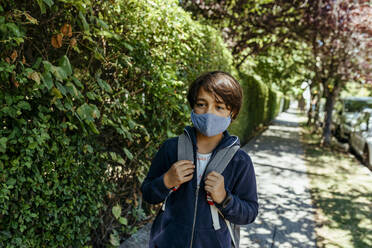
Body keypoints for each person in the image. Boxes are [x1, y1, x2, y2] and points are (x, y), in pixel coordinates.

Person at [140, 71, 258, 248]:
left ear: (232, 113)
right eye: (202, 104)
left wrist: (225, 199)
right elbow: (148, 193)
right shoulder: (172, 148)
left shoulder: (239, 161)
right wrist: (166, 181)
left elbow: (249, 212)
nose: (209, 113)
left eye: (219, 107)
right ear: (193, 107)